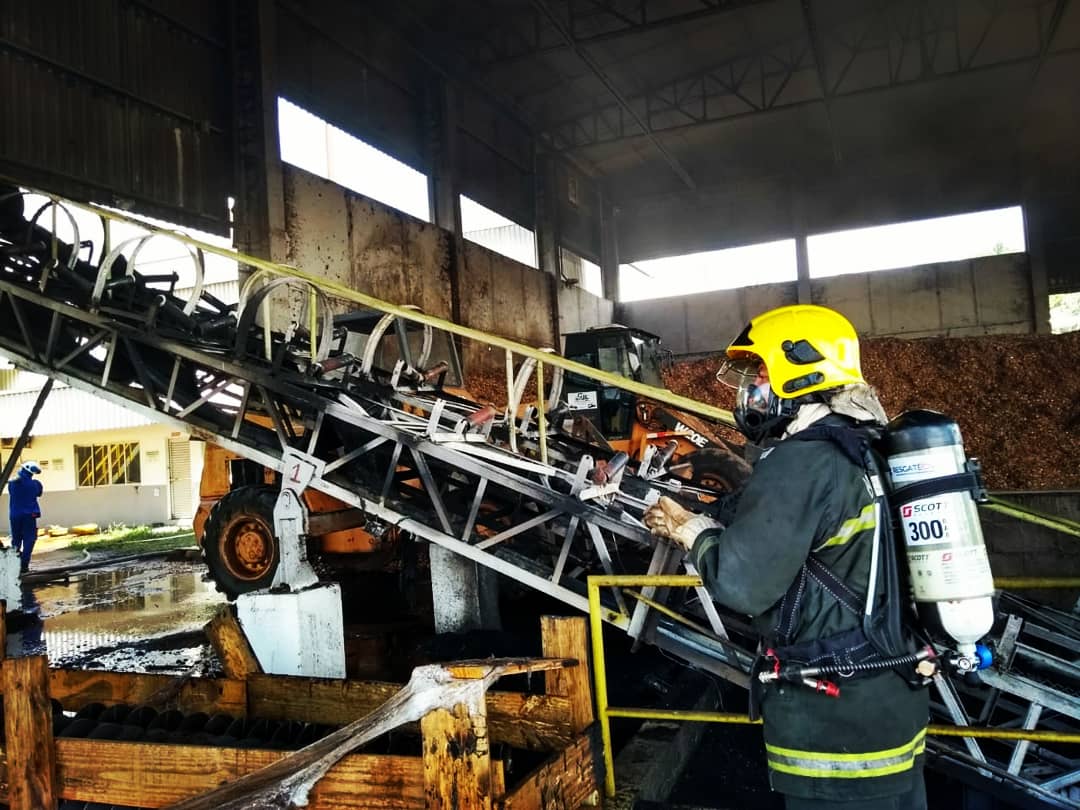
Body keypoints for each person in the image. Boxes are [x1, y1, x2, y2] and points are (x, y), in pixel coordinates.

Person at [644, 304, 928, 810]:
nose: (750, 391)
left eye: (761, 375)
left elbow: (741, 584)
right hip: (890, 705)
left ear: (803, 373)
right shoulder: (865, 448)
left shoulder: (802, 462)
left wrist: (692, 532)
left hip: (834, 729)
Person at [9, 460, 44, 573]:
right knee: (29, 539)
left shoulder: (12, 484)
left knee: (16, 540)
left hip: (15, 515)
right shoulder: (35, 484)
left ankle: (14, 564)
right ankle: (24, 565)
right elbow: (39, 493)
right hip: (29, 515)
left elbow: (11, 491)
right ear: (32, 472)